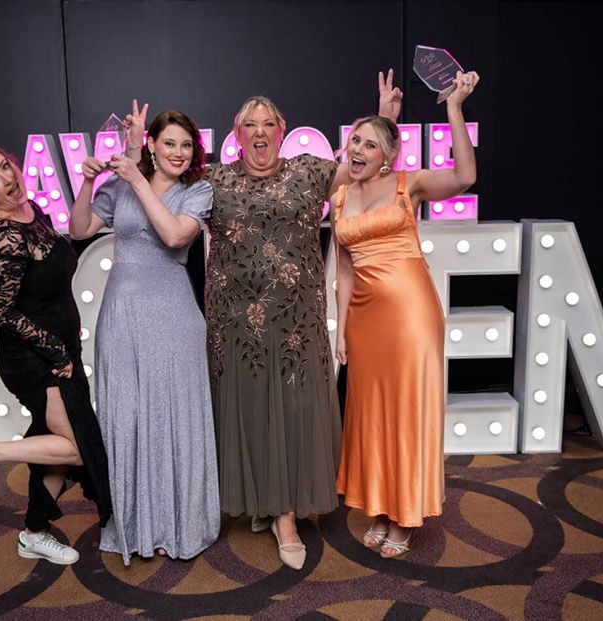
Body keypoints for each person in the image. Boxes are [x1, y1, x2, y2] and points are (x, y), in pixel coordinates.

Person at [198, 71, 403, 570]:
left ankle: (286, 517)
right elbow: (164, 187)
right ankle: (263, 504)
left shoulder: (310, 171)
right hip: (236, 326)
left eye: (269, 123)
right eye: (251, 125)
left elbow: (361, 164)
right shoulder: (214, 180)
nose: (261, 132)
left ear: (283, 129)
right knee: (249, 412)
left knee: (288, 414)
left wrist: (386, 118)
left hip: (295, 324)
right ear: (237, 132)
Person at [0, 143, 113, 566]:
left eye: (5, 167)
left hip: (60, 354)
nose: (8, 179)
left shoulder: (30, 209)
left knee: (54, 448)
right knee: (76, 449)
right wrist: (56, 352)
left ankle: (34, 532)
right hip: (37, 362)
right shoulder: (3, 236)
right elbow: (0, 310)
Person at [333, 70, 480, 557]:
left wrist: (454, 108)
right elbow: (345, 268)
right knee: (371, 415)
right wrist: (342, 329)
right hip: (365, 318)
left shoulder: (408, 183)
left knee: (406, 412)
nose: (358, 150)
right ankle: (378, 505)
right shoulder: (339, 194)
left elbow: (465, 177)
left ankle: (405, 515)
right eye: (355, 140)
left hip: (411, 315)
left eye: (370, 145)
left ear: (388, 157)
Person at [69, 106, 220, 565]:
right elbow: (79, 230)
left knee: (173, 418)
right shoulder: (120, 185)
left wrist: (136, 177)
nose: (178, 152)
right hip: (122, 314)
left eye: (186, 144)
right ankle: (135, 523)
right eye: (169, 142)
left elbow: (175, 237)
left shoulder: (198, 191)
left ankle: (177, 523)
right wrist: (88, 183)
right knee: (129, 417)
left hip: (173, 313)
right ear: (152, 144)